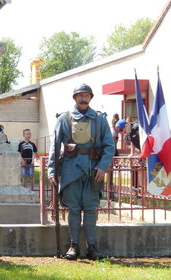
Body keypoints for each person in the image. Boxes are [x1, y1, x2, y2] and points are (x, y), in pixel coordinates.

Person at [48, 83, 115, 260]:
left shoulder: (100, 119)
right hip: (71, 169)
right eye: (80, 95)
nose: (83, 98)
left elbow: (109, 146)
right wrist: (52, 170)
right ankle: (74, 246)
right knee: (74, 209)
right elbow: (54, 146)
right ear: (75, 98)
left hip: (94, 170)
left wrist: (102, 166)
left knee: (91, 209)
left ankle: (92, 247)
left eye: (86, 95)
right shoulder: (64, 118)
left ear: (91, 97)